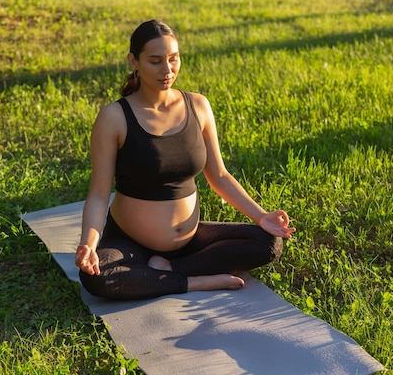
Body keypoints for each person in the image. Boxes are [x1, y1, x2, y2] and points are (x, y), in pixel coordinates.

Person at [75, 20, 295, 300]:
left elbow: (220, 176)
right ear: (134, 61)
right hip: (130, 241)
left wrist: (261, 216)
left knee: (268, 243)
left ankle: (169, 269)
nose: (167, 70)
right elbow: (98, 193)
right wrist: (90, 243)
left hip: (189, 240)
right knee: (96, 277)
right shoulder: (114, 118)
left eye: (173, 59)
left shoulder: (198, 106)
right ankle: (194, 281)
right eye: (155, 61)